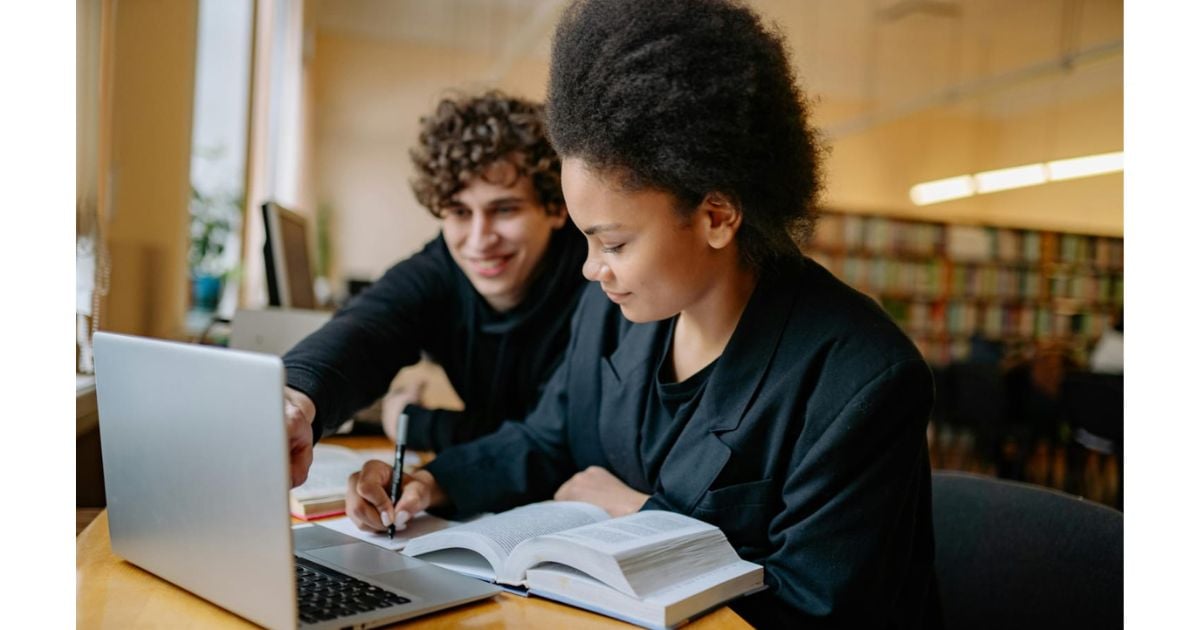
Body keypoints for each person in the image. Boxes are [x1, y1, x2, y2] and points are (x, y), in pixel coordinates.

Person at [347, 1, 939, 626]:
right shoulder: (611, 311)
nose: (590, 268)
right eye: (586, 240)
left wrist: (639, 516)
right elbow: (548, 439)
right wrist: (433, 483)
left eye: (615, 243)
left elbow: (815, 607)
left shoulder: (861, 379)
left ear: (716, 216)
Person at [281, 91, 587, 487]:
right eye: (460, 212)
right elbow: (367, 327)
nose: (479, 239)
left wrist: (416, 422)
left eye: (505, 209)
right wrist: (295, 402)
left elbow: (556, 441)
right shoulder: (438, 268)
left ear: (556, 207)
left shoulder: (599, 276)